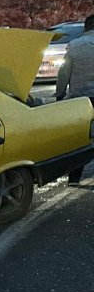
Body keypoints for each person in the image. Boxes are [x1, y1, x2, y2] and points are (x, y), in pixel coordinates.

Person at [57, 14, 94, 185]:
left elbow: (64, 72)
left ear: (85, 27)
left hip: (80, 100)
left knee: (80, 139)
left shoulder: (74, 46)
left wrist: (60, 94)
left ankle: (74, 178)